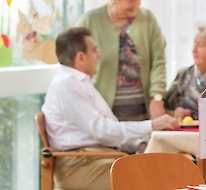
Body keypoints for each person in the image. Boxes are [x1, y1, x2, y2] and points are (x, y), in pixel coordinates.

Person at [42, 27, 179, 190]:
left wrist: (137, 144)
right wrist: (151, 125)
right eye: (94, 50)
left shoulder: (80, 83)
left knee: (163, 169)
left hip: (96, 156)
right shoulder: (66, 86)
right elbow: (101, 130)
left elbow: (106, 129)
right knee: (152, 177)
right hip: (80, 165)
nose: (99, 55)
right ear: (80, 57)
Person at [78, 0, 167, 121]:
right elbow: (75, 64)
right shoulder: (90, 21)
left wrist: (157, 97)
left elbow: (159, 61)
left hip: (143, 115)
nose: (137, 4)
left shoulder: (147, 20)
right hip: (103, 114)